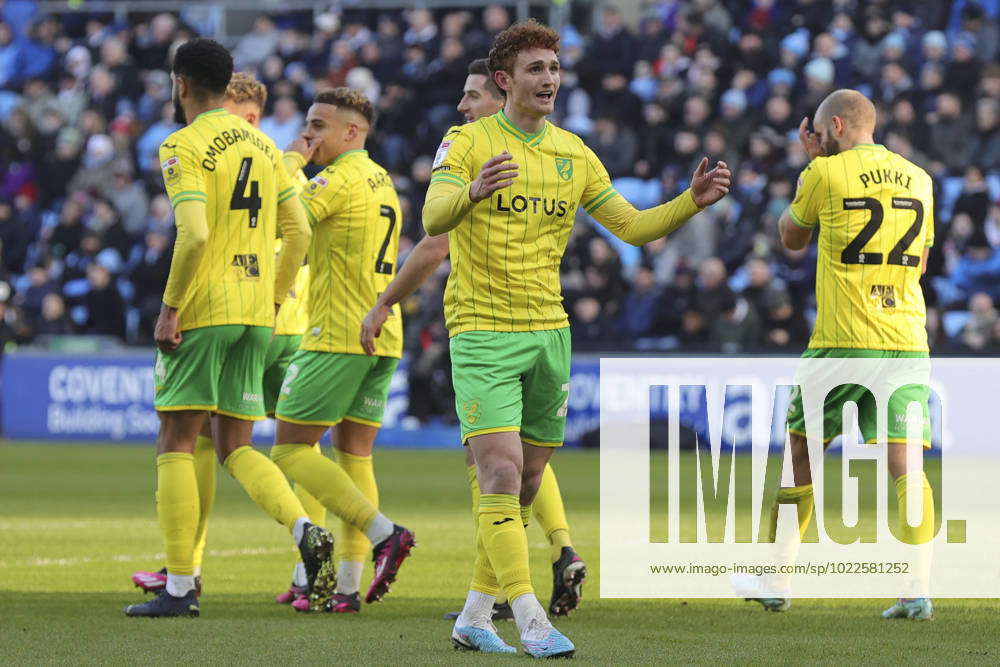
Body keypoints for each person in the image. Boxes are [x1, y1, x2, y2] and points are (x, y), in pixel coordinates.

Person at [421, 20, 730, 657]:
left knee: (529, 480)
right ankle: (530, 616)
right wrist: (473, 192)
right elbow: (432, 216)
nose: (550, 80)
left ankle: (475, 615)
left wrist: (690, 202)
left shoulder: (572, 151)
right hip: (481, 331)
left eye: (554, 70)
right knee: (500, 474)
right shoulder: (468, 141)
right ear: (504, 80)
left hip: (549, 333)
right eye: (536, 69)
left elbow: (634, 226)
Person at [360, 57, 590, 623]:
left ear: (500, 95)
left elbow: (435, 243)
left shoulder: (471, 146)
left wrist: (388, 300)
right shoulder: (523, 153)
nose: (462, 107)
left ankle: (501, 598)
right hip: (537, 325)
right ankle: (539, 562)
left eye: (472, 95)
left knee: (494, 463)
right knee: (516, 462)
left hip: (491, 325)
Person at [123, 39, 331, 618]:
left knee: (177, 438)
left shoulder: (181, 144)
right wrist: (270, 296)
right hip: (254, 314)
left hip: (205, 310)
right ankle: (304, 528)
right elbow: (300, 232)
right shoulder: (264, 145)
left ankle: (181, 587)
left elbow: (193, 234)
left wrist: (170, 308)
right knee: (236, 444)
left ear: (181, 84)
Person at [732, 89, 936, 620]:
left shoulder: (824, 172)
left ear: (838, 127)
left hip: (841, 340)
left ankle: (776, 577)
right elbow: (921, 264)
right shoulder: (921, 179)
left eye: (820, 133)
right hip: (907, 340)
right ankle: (916, 588)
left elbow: (790, 238)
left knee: (801, 452)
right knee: (906, 463)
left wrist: (812, 166)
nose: (816, 140)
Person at [270, 87, 416, 611]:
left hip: (337, 333)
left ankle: (383, 534)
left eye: (317, 126)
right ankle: (349, 587)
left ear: (351, 132)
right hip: (384, 332)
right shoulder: (382, 179)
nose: (308, 135)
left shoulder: (336, 178)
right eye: (307, 125)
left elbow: (283, 215)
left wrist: (290, 160)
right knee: (354, 457)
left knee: (288, 448)